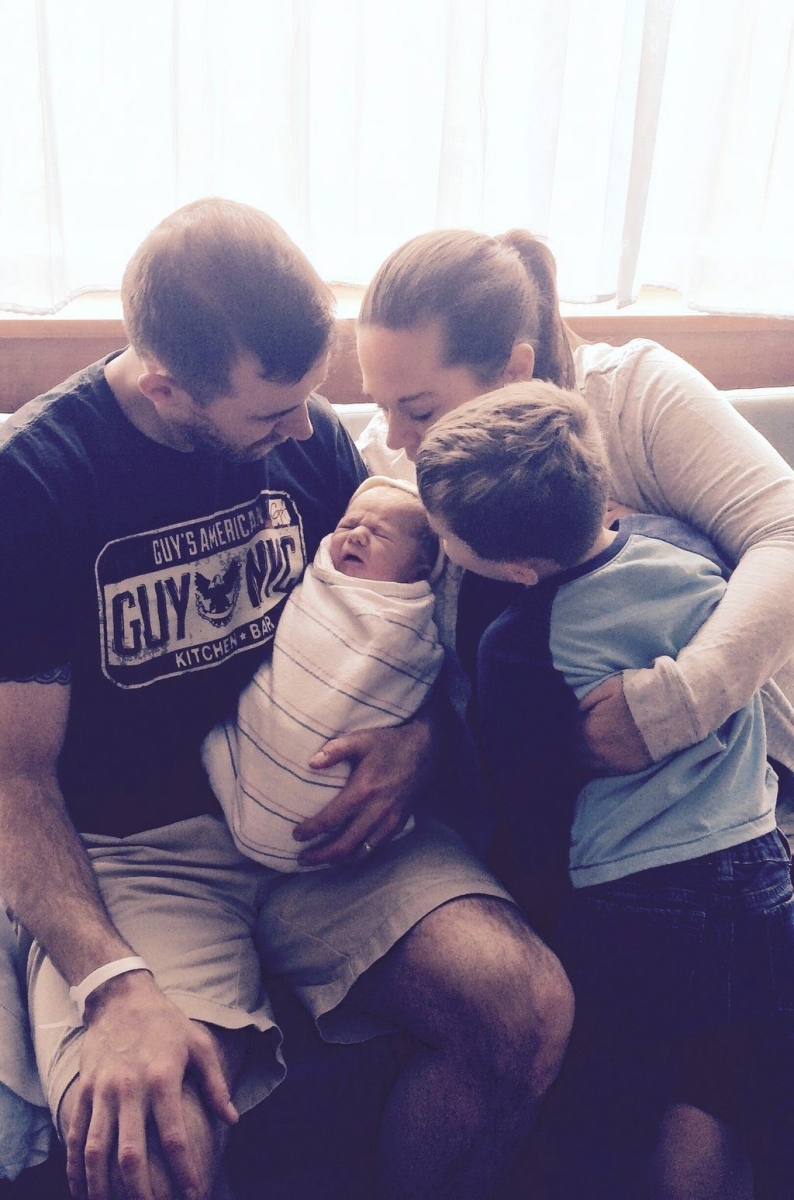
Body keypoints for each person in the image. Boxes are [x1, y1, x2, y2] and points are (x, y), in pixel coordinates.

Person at [0, 200, 574, 1200]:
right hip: (140, 858)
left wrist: (419, 741)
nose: (307, 430)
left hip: (322, 826)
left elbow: (397, 618)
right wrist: (108, 980)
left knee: (521, 1008)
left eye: (312, 399)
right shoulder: (39, 486)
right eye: (272, 414)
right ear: (169, 387)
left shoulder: (305, 442)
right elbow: (13, 775)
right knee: (145, 1145)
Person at [351, 226, 794, 1196]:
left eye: (413, 406)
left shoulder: (629, 393)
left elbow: (783, 531)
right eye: (377, 403)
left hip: (725, 791)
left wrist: (676, 702)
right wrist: (418, 740)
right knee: (664, 1137)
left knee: (694, 1136)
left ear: (514, 367)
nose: (387, 438)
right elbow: (434, 679)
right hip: (575, 838)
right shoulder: (407, 474)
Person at [201, 476, 444, 870]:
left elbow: (421, 674)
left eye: (380, 534)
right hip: (206, 820)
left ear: (418, 571)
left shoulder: (406, 621)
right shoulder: (319, 580)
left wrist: (423, 739)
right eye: (348, 525)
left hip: (354, 814)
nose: (357, 536)